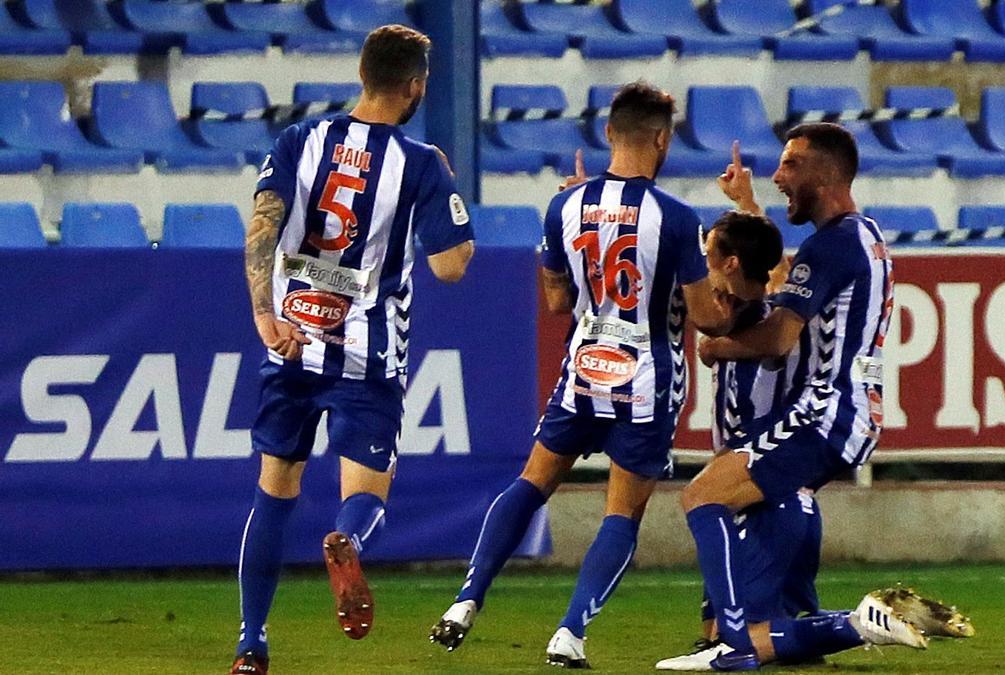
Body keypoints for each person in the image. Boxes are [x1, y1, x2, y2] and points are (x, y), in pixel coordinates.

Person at [429, 81, 732, 668]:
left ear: (608, 134)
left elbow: (555, 302)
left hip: (584, 368)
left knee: (531, 482)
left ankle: (467, 598)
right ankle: (569, 632)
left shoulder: (563, 206)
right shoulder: (675, 217)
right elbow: (704, 317)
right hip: (645, 379)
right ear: (662, 140)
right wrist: (733, 308)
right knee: (621, 512)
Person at [229, 25, 475, 675]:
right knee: (366, 494)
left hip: (290, 338)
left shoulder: (299, 140)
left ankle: (252, 642)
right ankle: (346, 539)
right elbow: (451, 266)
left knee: (273, 489)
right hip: (366, 353)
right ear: (416, 86)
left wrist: (262, 310)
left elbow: (262, 223)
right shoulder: (420, 162)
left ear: (363, 75)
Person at [677, 123, 897, 671]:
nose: (779, 176)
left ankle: (733, 641)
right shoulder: (864, 235)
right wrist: (749, 205)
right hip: (851, 411)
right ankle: (804, 626)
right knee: (767, 501)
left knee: (704, 497)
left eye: (791, 165)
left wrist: (717, 347)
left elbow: (778, 337)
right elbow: (781, 278)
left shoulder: (829, 246)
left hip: (823, 412)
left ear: (825, 174)